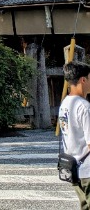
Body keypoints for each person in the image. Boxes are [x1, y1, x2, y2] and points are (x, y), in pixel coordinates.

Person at [58, 61, 90, 208]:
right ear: (83, 80)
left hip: (73, 167)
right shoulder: (84, 106)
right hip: (88, 169)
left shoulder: (65, 103)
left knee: (84, 205)